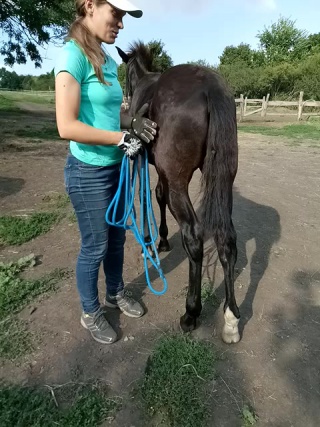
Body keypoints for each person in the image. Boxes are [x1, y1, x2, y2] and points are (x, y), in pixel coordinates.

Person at [54, 0, 157, 344]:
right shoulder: (73, 56)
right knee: (95, 246)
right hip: (89, 172)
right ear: (89, 7)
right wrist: (120, 137)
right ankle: (90, 311)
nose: (122, 25)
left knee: (116, 238)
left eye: (124, 17)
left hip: (116, 168)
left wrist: (134, 122)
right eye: (117, 14)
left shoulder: (108, 59)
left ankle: (114, 292)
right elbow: (66, 126)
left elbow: (114, 113)